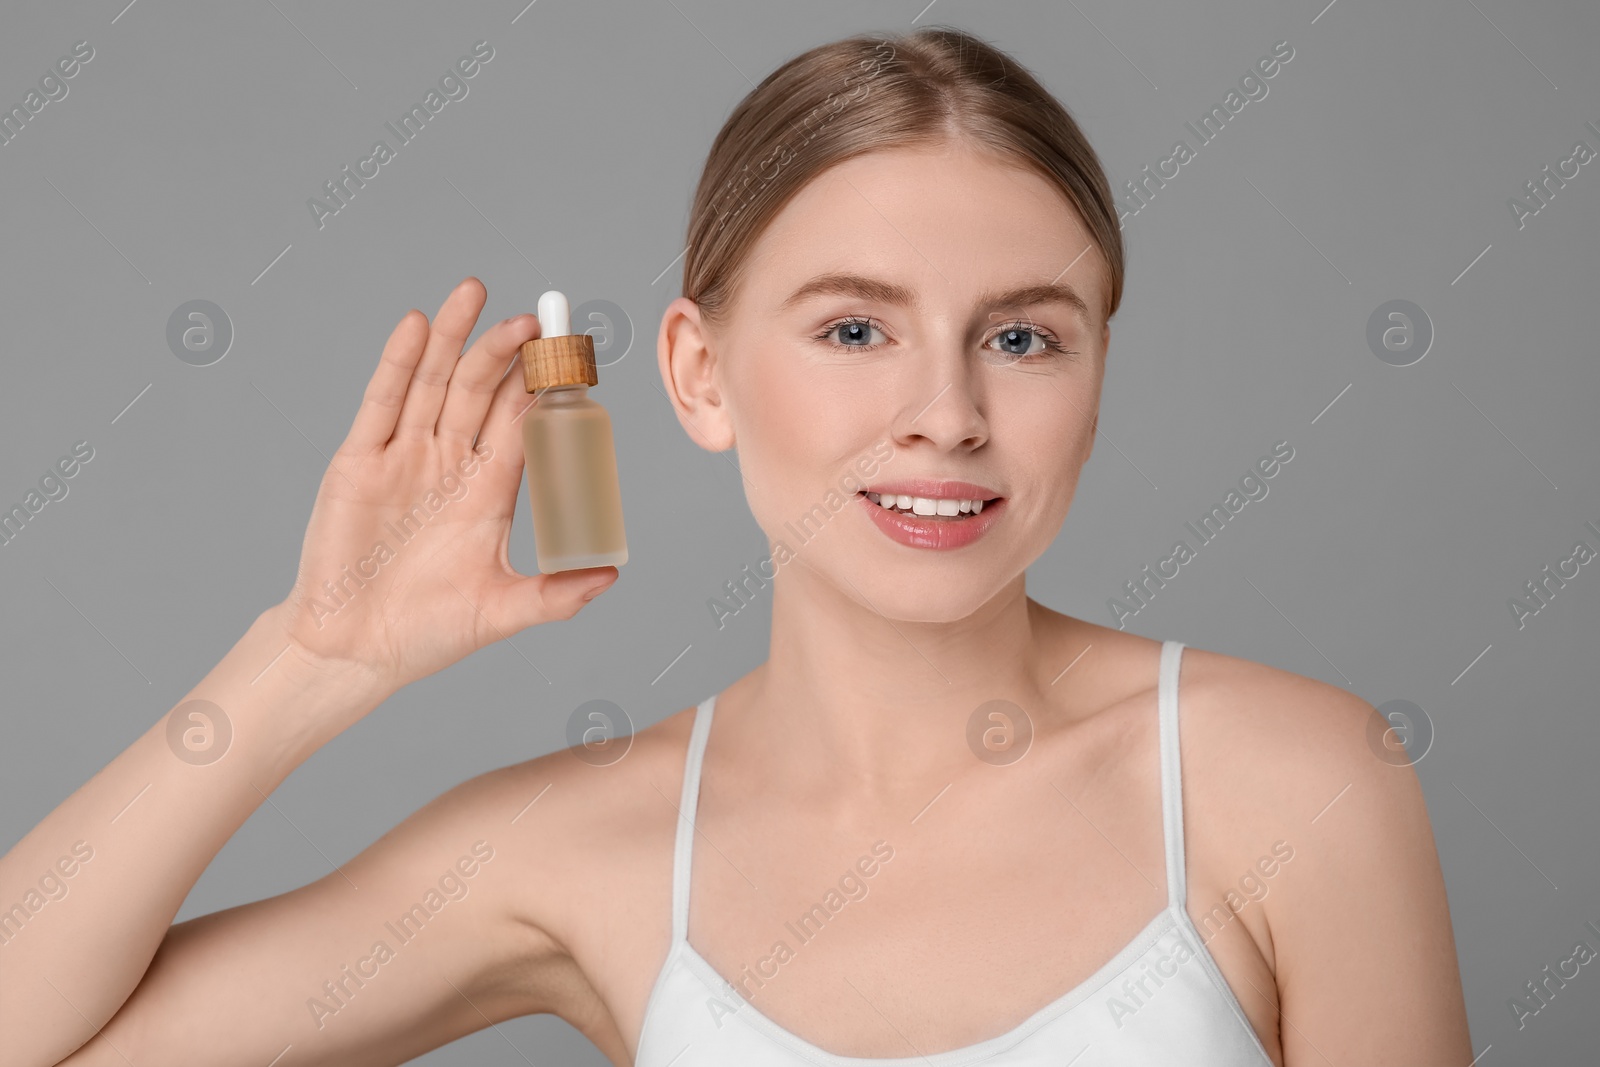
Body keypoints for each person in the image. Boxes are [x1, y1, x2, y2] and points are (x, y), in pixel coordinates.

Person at [2, 25, 1471, 1067]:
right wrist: (309, 661)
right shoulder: (583, 850)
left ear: (1096, 374)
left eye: (1022, 337)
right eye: (852, 329)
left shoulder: (1298, 783)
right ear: (699, 375)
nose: (946, 415)